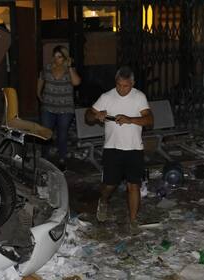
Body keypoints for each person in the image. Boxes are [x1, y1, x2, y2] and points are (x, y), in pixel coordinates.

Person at [85, 66, 153, 234]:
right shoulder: (106, 97)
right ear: (115, 82)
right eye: (119, 85)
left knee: (134, 185)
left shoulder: (139, 97)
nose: (122, 89)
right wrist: (96, 115)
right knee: (110, 184)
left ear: (133, 83)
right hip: (112, 147)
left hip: (134, 148)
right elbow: (88, 115)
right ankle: (104, 200)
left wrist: (130, 119)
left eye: (126, 86)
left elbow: (149, 119)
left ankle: (133, 220)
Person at [37, 45, 81, 171]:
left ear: (65, 57)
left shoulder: (69, 70)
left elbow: (76, 82)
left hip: (65, 108)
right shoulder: (47, 68)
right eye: (55, 56)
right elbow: (40, 80)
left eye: (60, 57)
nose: (57, 59)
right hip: (48, 107)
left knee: (62, 135)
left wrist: (70, 67)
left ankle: (62, 160)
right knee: (45, 134)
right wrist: (38, 94)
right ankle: (43, 159)